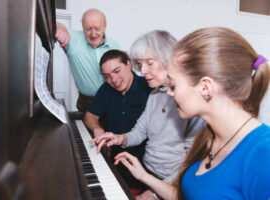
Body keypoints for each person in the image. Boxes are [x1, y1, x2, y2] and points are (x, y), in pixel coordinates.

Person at [113, 27, 270, 200]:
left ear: (205, 88)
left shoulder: (264, 153)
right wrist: (144, 177)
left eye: (173, 85)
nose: (170, 93)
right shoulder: (209, 135)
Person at [90, 30, 205, 199]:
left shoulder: (192, 102)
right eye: (140, 64)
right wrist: (119, 138)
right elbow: (139, 132)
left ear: (169, 59)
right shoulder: (154, 94)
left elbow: (192, 163)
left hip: (171, 181)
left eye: (149, 63)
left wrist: (154, 193)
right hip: (145, 171)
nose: (142, 71)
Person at [84, 49, 152, 188]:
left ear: (129, 64)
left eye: (116, 71)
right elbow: (89, 117)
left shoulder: (149, 87)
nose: (113, 80)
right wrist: (98, 129)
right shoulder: (105, 89)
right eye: (107, 76)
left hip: (145, 164)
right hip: (115, 160)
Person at [55, 8, 120, 112]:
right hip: (87, 104)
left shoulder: (115, 46)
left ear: (105, 26)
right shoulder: (73, 40)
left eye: (97, 28)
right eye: (88, 29)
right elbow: (54, 24)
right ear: (82, 27)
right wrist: (59, 29)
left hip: (113, 100)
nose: (93, 34)